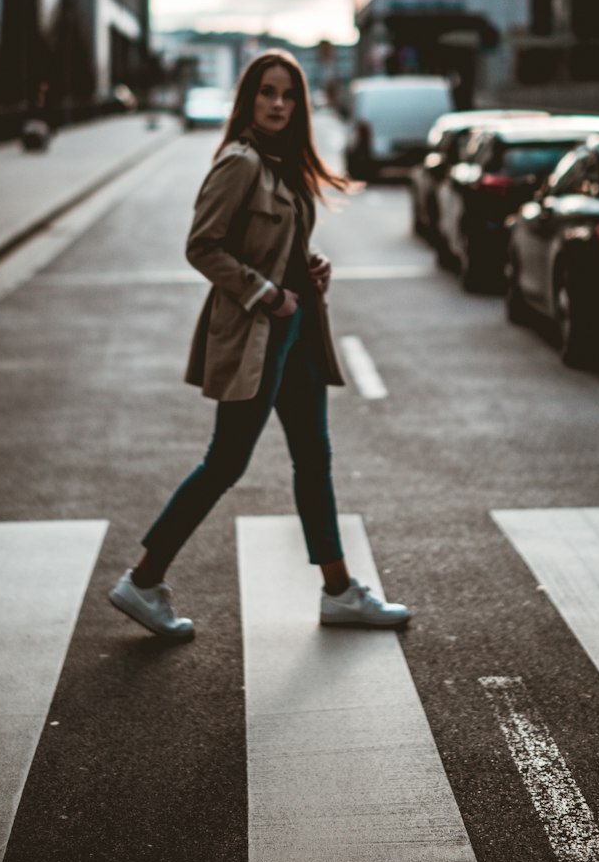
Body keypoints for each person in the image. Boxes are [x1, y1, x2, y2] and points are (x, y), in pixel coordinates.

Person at [110, 50, 411, 640]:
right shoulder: (240, 162)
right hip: (260, 331)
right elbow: (203, 246)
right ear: (248, 99)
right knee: (225, 462)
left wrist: (308, 266)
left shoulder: (283, 163)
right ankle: (143, 581)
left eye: (288, 94)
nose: (277, 103)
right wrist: (268, 293)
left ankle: (338, 589)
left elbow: (273, 243)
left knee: (313, 456)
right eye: (266, 92)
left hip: (295, 331)